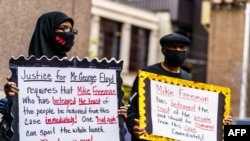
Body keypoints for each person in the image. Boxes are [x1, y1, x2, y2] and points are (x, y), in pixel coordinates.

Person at [125, 33, 233, 141]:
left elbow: (193, 115)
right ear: (164, 50)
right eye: (173, 46)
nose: (178, 50)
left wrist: (221, 121)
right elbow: (131, 109)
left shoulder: (187, 79)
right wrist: (133, 128)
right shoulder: (147, 74)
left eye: (181, 47)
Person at [0, 11, 77, 141]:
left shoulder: (74, 72)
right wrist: (11, 95)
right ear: (47, 30)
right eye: (63, 28)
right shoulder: (26, 73)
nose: (68, 33)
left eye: (71, 30)